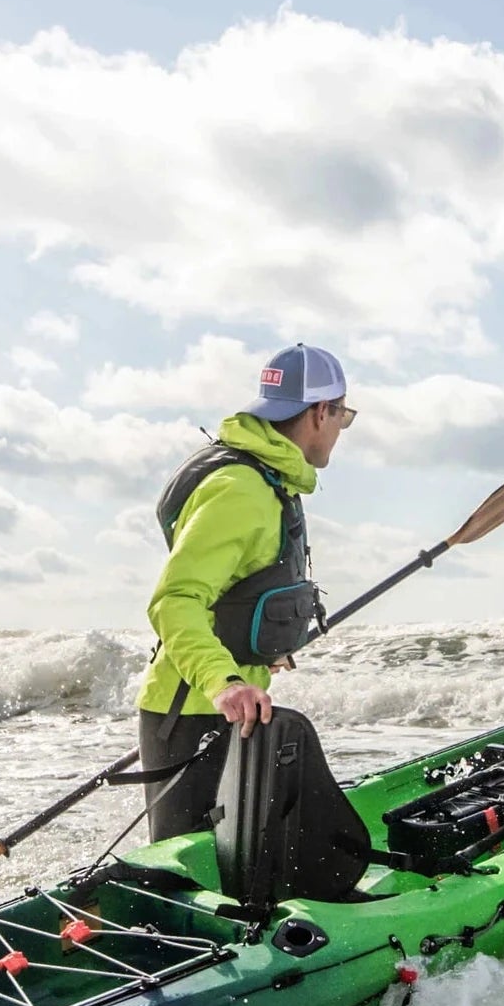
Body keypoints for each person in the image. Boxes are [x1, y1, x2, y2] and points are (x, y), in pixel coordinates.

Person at [138, 343, 355, 839]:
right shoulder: (242, 489)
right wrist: (226, 683)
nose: (342, 429)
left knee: (237, 869)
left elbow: (237, 596)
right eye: (342, 414)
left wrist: (260, 651)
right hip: (192, 712)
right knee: (189, 881)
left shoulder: (270, 480)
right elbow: (174, 601)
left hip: (225, 708)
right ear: (320, 412)